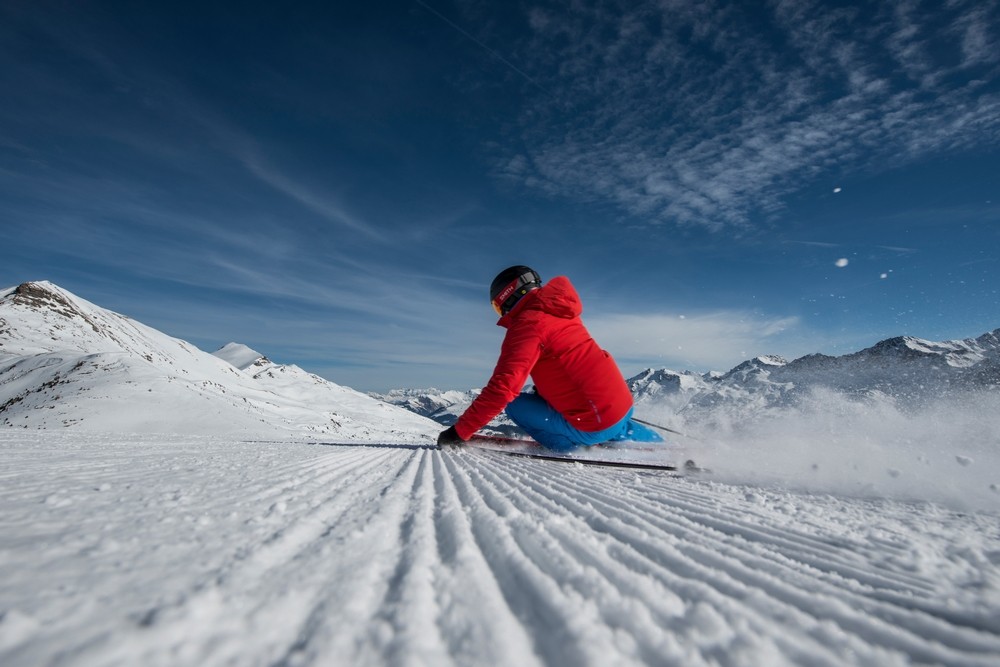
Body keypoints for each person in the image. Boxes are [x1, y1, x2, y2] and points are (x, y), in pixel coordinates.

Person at [437, 265, 662, 450]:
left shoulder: (528, 324)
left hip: (594, 422)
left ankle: (571, 449)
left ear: (509, 295)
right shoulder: (560, 312)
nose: (501, 313)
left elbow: (503, 387)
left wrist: (459, 432)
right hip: (621, 405)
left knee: (514, 404)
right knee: (614, 424)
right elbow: (570, 365)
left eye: (498, 306)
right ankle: (660, 446)